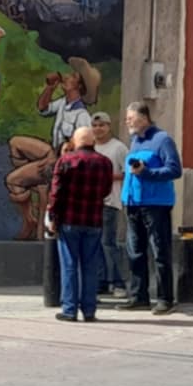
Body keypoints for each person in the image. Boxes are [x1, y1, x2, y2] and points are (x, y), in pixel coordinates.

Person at [6, 58, 98, 239]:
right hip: (51, 151)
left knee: (12, 180)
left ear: (78, 86)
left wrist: (58, 158)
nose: (67, 77)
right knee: (15, 143)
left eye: (72, 77)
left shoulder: (82, 115)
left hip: (61, 160)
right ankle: (35, 182)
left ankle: (30, 217)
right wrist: (50, 87)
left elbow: (83, 148)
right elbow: (43, 108)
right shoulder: (64, 102)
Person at [120, 100, 183, 315]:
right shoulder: (135, 141)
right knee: (135, 252)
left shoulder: (162, 140)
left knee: (160, 251)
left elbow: (174, 170)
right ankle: (139, 296)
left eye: (130, 117)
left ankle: (166, 298)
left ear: (143, 118)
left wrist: (147, 173)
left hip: (156, 204)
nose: (127, 121)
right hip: (133, 204)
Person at [47, 127, 114, 323]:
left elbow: (56, 193)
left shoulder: (66, 161)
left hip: (69, 219)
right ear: (92, 141)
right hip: (93, 220)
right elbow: (105, 191)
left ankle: (69, 309)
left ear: (76, 141)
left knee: (69, 265)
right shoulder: (105, 163)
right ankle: (89, 310)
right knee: (90, 266)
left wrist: (53, 217)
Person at [88, 110, 130, 295]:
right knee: (94, 244)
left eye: (101, 125)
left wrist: (106, 177)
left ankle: (118, 282)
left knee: (108, 243)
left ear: (108, 127)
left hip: (110, 201)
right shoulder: (90, 147)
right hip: (90, 203)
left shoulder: (118, 148)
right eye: (95, 126)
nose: (98, 129)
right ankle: (101, 281)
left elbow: (128, 173)